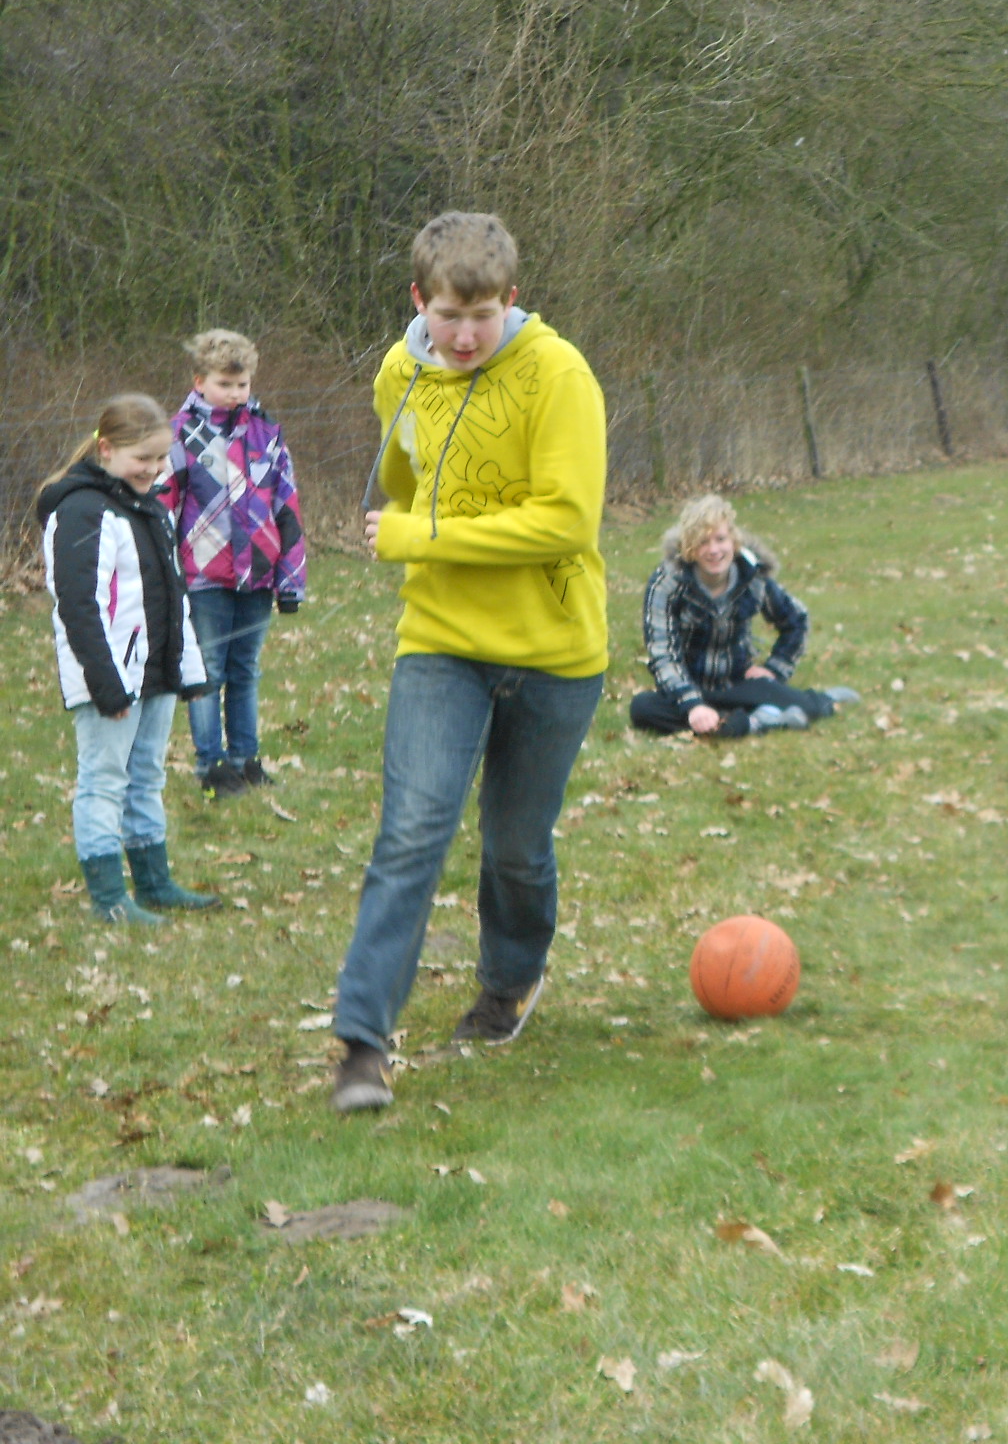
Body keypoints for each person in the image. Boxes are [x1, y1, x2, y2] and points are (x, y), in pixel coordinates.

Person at [330, 212, 608, 1114]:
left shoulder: (558, 375)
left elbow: (566, 521)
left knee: (516, 846)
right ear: (418, 299)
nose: (463, 336)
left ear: (510, 301)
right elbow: (407, 481)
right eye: (448, 315)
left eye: (482, 316)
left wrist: (422, 535)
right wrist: (410, 522)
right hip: (442, 641)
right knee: (413, 830)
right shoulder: (399, 373)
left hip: (554, 651)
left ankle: (510, 979)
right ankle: (362, 1045)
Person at [37, 395, 218, 924]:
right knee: (104, 781)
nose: (154, 469)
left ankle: (155, 883)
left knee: (146, 777)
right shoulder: (80, 511)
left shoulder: (151, 506)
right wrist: (106, 685)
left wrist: (188, 669)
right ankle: (110, 899)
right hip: (109, 679)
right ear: (106, 449)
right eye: (143, 458)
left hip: (155, 672)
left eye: (161, 458)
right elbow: (79, 606)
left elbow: (173, 596)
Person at [158, 328, 307, 798]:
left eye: (242, 384)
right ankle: (211, 764)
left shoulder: (267, 432)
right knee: (208, 671)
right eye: (225, 384)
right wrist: (165, 577)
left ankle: (246, 758)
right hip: (204, 576)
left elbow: (287, 507)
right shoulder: (179, 434)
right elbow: (163, 508)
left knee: (246, 670)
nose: (235, 393)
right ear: (200, 381)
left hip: (257, 575)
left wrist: (291, 578)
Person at [631, 493, 858, 738]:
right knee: (643, 709)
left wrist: (775, 669)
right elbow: (662, 653)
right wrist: (693, 705)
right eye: (703, 542)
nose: (714, 550)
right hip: (689, 687)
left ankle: (818, 701)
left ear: (734, 541)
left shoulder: (751, 576)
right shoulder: (667, 583)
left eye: (720, 539)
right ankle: (759, 721)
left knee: (809, 707)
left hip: (739, 683)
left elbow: (796, 620)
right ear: (689, 548)